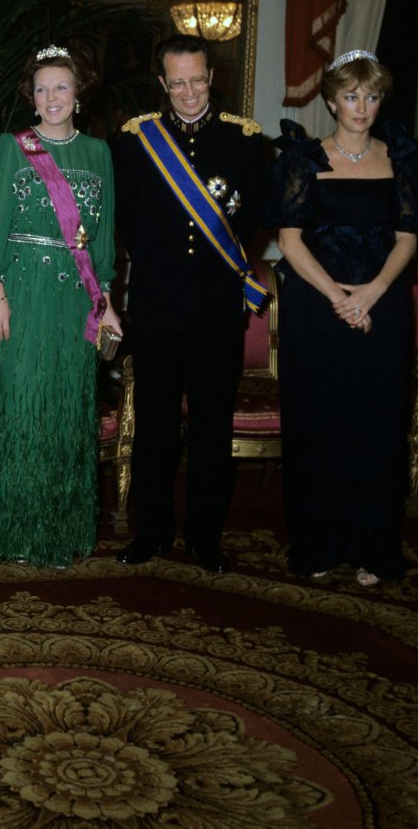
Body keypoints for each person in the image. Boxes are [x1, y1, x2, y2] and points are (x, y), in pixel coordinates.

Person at [0, 44, 123, 567]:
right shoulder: (11, 148)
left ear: (79, 93)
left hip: (75, 298)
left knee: (65, 409)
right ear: (31, 97)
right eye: (42, 88)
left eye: (62, 87)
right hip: (22, 292)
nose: (52, 97)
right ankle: (10, 531)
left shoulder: (99, 153)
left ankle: (56, 533)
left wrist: (106, 302)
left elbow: (102, 239)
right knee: (22, 405)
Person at [271, 49, 418, 586]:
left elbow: (407, 240)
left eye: (372, 96)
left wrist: (372, 294)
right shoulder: (303, 157)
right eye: (351, 96)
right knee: (318, 421)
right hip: (316, 305)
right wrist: (339, 298)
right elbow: (289, 242)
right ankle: (317, 544)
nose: (362, 107)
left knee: (374, 423)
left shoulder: (402, 159)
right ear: (332, 101)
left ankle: (372, 549)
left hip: (382, 304)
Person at [112, 34, 267, 573]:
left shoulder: (243, 140)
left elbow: (252, 218)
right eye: (176, 83)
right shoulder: (136, 141)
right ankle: (151, 532)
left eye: (197, 80)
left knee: (211, 426)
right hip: (157, 304)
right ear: (162, 83)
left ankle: (205, 537)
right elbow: (129, 223)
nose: (188, 92)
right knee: (154, 422)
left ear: (211, 77)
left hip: (216, 306)